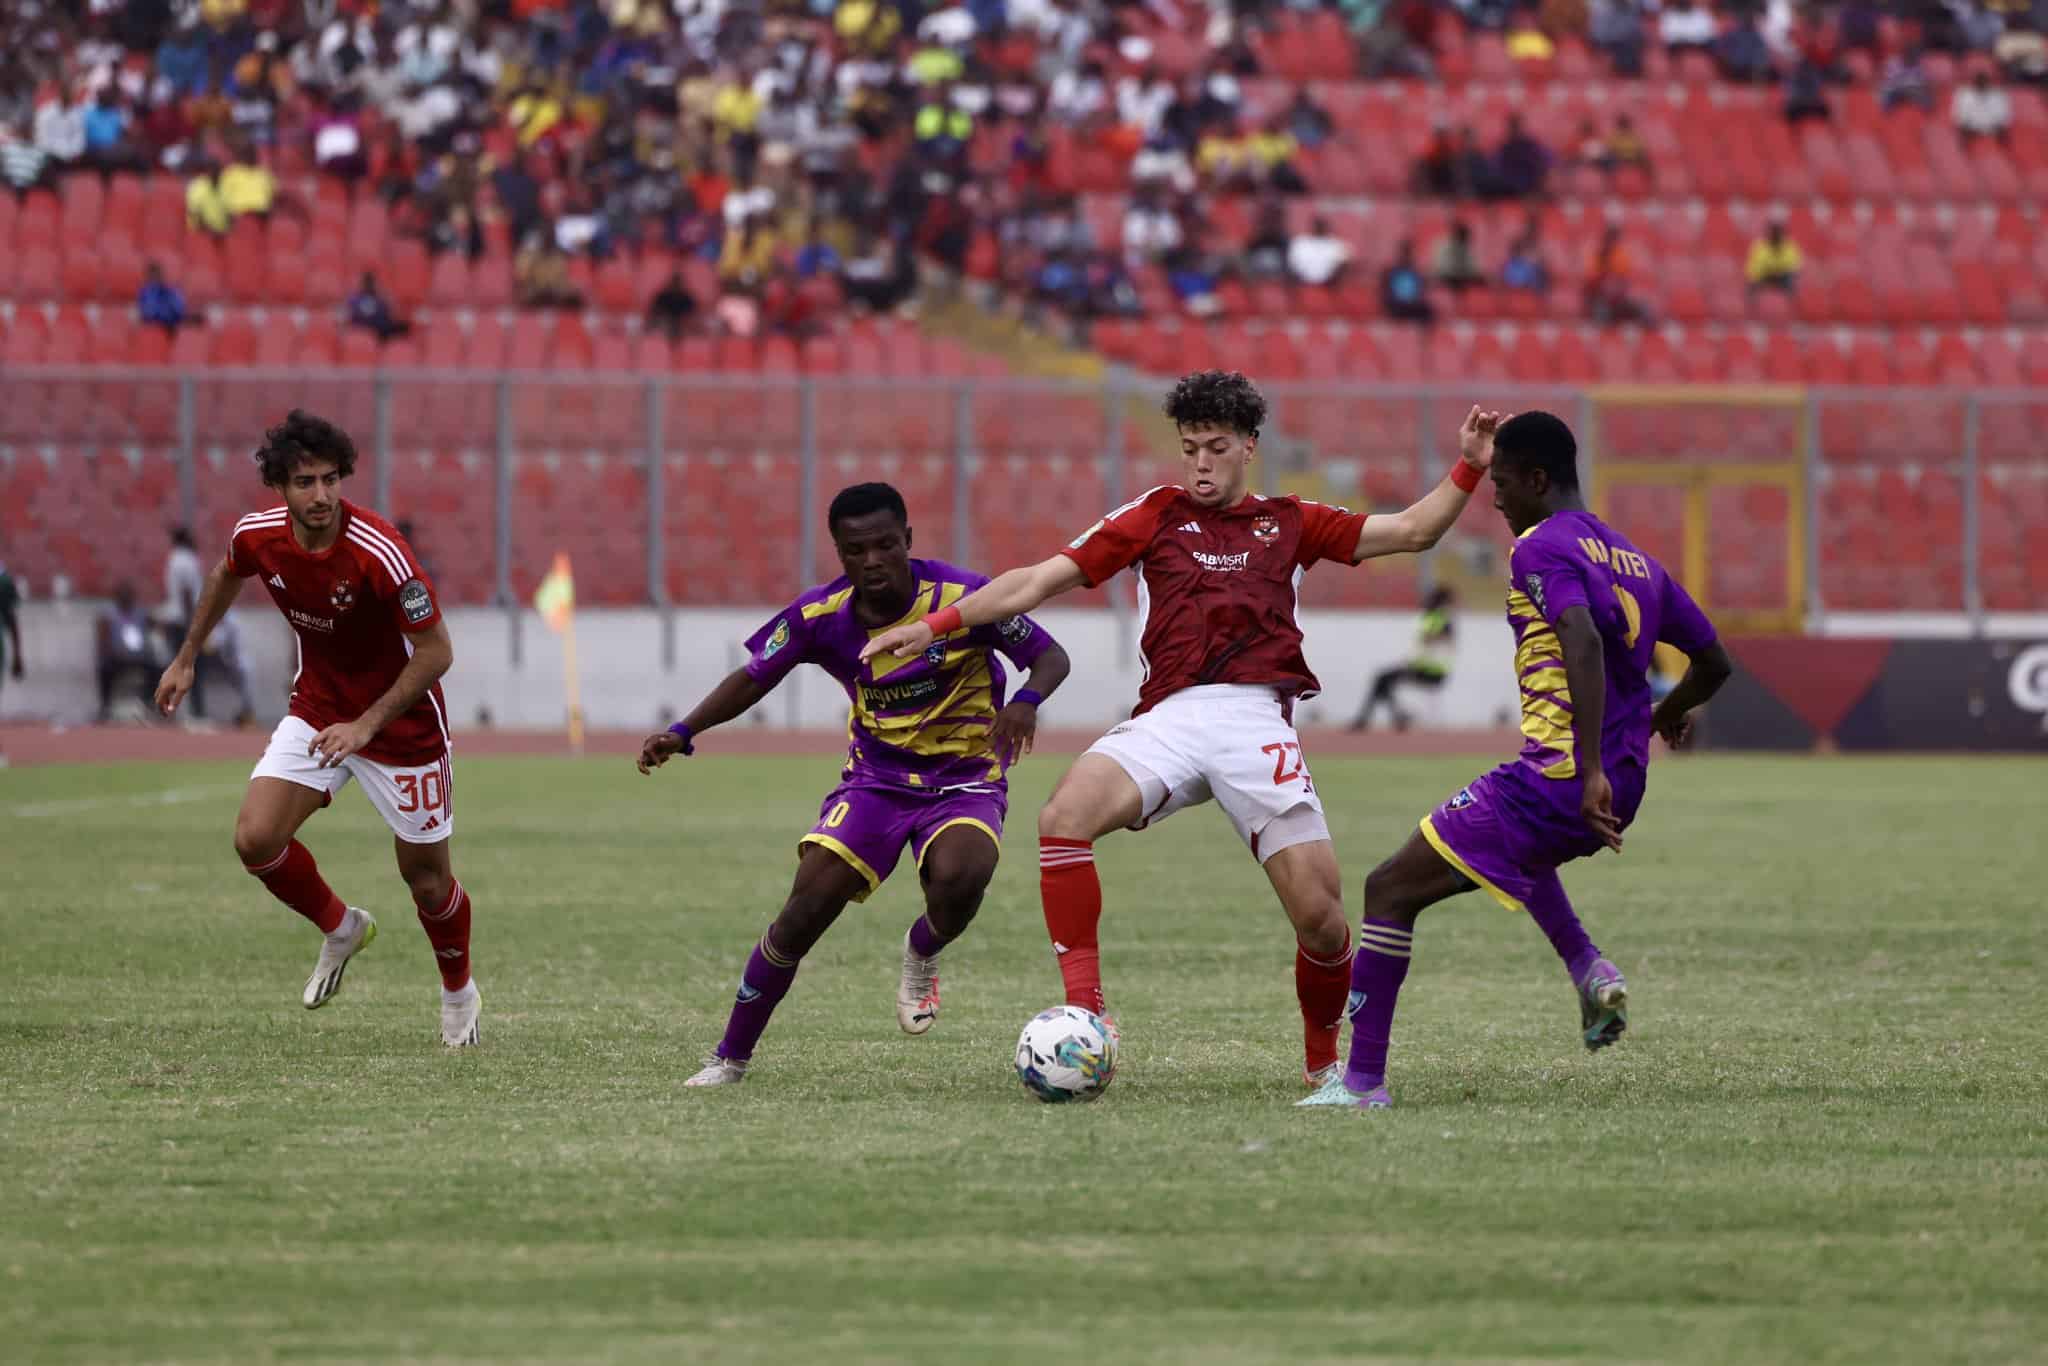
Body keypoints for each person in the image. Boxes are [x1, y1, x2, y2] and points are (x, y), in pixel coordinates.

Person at [859, 374, 1502, 1089]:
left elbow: (1413, 531)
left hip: (1255, 721)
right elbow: (1038, 580)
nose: (1200, 462)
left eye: (1216, 447)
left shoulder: (1292, 520)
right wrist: (933, 625)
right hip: (1168, 718)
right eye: (1190, 447)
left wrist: (1470, 464)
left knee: (1322, 923)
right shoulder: (1152, 515)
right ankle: (1088, 1015)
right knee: (1063, 817)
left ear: (1249, 448)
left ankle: (1324, 1068)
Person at [1299, 412, 1733, 1110]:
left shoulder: (1538, 549)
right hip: (1623, 785)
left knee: (1388, 888)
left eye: (1501, 483)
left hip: (1564, 778)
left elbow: (1581, 640)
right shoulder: (1634, 560)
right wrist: (1665, 714)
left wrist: (1586, 766)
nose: (1494, 499)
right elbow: (1714, 662)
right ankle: (1589, 968)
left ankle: (1361, 1084)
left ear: (1536, 479)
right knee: (1512, 851)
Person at [639, 483, 1071, 1087]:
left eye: (885, 545)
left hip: (966, 779)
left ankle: (923, 947)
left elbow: (1051, 657)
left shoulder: (965, 596)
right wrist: (684, 729)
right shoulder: (821, 616)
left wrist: (1025, 701)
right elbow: (754, 676)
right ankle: (729, 1058)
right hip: (876, 783)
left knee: (959, 881)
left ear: (908, 541)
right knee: (802, 913)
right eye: (856, 550)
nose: (873, 561)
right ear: (839, 552)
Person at [153, 411, 479, 1048]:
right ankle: (341, 927)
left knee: (427, 880)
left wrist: (366, 725)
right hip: (319, 708)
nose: (322, 495)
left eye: (331, 479)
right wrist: (187, 655)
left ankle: (459, 992)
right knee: (256, 839)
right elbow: (224, 574)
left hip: (403, 725)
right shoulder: (259, 536)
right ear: (280, 486)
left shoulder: (380, 552)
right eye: (305, 482)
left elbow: (436, 652)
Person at [1349, 587, 1456, 731]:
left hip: (1430, 671)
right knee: (1382, 680)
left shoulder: (1440, 619)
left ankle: (1375, 719)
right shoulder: (1433, 618)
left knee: (1382, 679)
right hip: (1421, 667)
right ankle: (1396, 717)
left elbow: (1440, 640)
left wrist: (1429, 638)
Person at [97, 582, 162, 721]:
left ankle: (149, 704)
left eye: (128, 595)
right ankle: (105, 707)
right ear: (117, 597)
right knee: (105, 669)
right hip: (117, 656)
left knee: (156, 669)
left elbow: (157, 625)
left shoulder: (140, 612)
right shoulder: (109, 615)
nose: (125, 598)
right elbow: (103, 639)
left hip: (139, 656)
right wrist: (109, 652)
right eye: (122, 595)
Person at [1746, 219, 1803, 294]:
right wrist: (1768, 270)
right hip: (1764, 276)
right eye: (1773, 232)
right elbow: (1754, 268)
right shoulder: (1760, 246)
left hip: (1783, 276)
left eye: (1778, 233)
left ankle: (1793, 304)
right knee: (1751, 286)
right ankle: (1752, 305)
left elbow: (1796, 266)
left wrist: (1780, 269)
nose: (1775, 235)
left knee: (1792, 284)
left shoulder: (1789, 246)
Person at [645, 269, 699, 339]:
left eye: (678, 283)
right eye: (674, 282)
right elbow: (654, 311)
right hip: (665, 324)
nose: (675, 285)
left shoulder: (686, 297)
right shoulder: (663, 296)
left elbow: (694, 313)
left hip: (683, 325)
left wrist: (685, 321)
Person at [137, 261, 187, 333]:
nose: (155, 277)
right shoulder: (146, 292)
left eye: (157, 274)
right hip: (154, 330)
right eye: (152, 275)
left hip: (172, 328)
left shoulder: (170, 289)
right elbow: (148, 312)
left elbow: (179, 309)